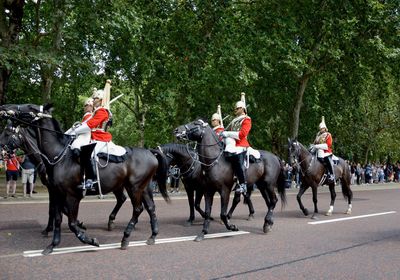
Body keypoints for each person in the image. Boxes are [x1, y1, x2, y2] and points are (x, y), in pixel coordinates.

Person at [72, 85, 113, 190]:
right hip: (94, 136)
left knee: (88, 154)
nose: (93, 100)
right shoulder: (97, 111)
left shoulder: (102, 111)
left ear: (100, 100)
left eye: (95, 99)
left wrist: (76, 130)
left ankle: (91, 180)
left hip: (101, 137)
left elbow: (91, 125)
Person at [221, 100, 251, 194]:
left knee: (237, 159)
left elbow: (242, 134)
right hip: (231, 143)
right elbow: (227, 131)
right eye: (235, 108)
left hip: (241, 144)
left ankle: (242, 184)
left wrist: (228, 133)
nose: (235, 110)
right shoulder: (234, 120)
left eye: (237, 108)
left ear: (242, 109)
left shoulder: (246, 119)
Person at [312, 116, 335, 183]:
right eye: (320, 128)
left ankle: (331, 174)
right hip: (317, 150)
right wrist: (314, 146)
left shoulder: (328, 135)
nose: (320, 130)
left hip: (326, 151)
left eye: (322, 128)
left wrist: (317, 146)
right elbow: (315, 142)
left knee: (327, 159)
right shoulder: (318, 135)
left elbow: (328, 145)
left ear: (325, 128)